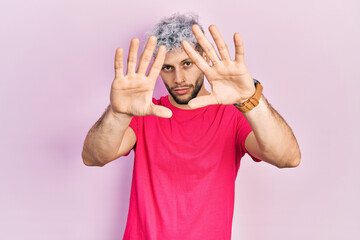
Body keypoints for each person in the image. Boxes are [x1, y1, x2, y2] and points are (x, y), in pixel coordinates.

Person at [82, 13, 301, 240]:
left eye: (187, 64)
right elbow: (94, 157)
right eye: (167, 68)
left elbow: (288, 158)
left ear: (204, 57)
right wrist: (118, 114)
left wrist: (250, 100)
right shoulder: (144, 113)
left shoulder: (233, 115)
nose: (178, 78)